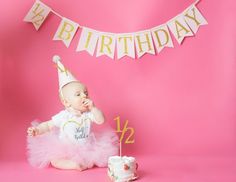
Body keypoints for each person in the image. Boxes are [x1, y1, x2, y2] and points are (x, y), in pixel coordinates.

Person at [27, 55, 118, 170]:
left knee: (99, 157)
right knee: (55, 160)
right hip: (66, 150)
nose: (84, 95)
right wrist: (38, 130)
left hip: (87, 147)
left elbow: (101, 120)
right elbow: (48, 125)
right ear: (66, 102)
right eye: (78, 94)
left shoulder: (88, 114)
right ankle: (73, 165)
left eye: (85, 93)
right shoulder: (64, 116)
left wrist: (94, 108)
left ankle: (86, 162)